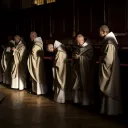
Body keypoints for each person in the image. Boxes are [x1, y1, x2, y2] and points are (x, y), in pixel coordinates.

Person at [99, 25, 121, 115]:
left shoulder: (109, 42)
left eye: (99, 31)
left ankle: (111, 111)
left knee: (110, 87)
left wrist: (101, 59)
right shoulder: (109, 41)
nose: (99, 33)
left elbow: (108, 60)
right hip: (112, 68)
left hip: (110, 69)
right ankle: (109, 110)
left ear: (104, 32)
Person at [72, 34, 94, 106]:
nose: (77, 44)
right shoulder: (78, 46)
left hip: (85, 70)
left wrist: (79, 57)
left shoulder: (89, 48)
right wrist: (74, 56)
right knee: (77, 84)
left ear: (82, 40)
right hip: (78, 70)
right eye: (76, 42)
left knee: (85, 84)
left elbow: (89, 59)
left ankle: (85, 102)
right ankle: (77, 100)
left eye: (78, 42)